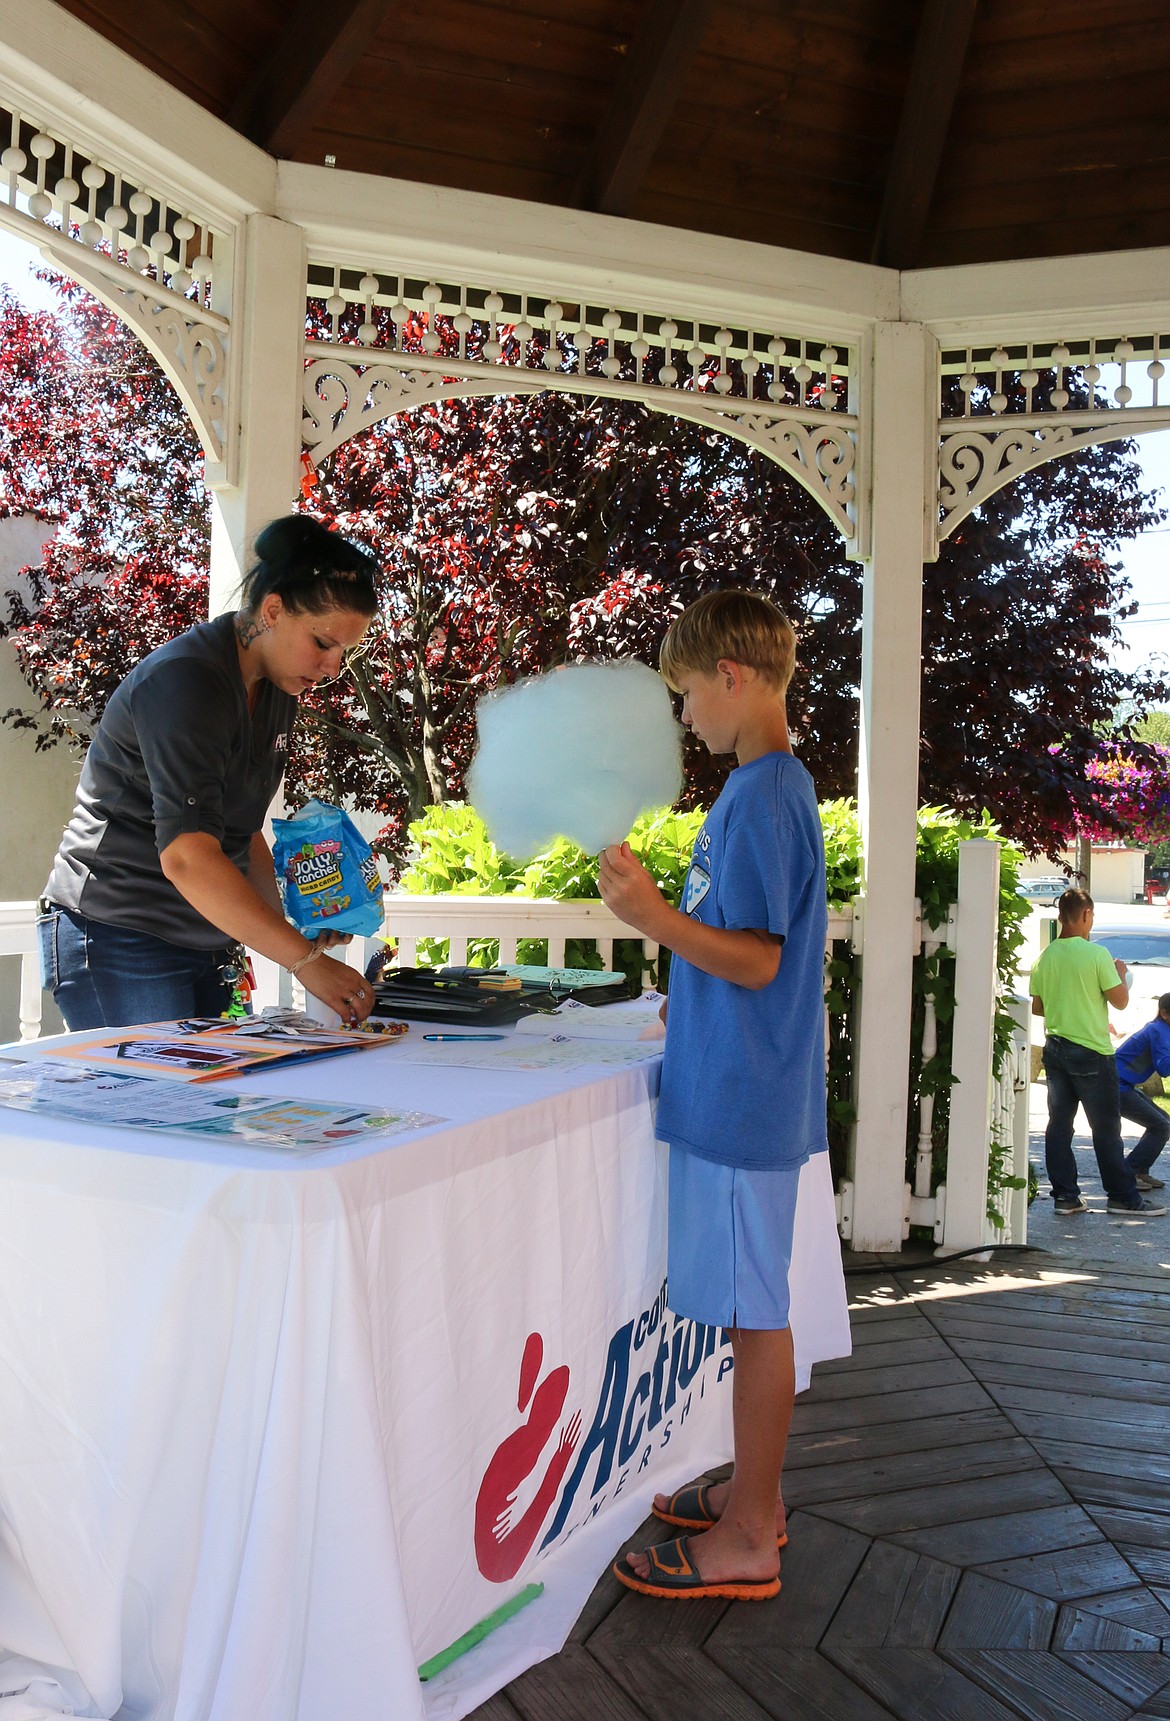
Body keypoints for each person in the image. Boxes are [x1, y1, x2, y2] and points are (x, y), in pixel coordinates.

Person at [597, 588, 827, 1601]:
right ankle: (757, 1494)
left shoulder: (764, 794)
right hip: (737, 1089)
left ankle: (746, 1535)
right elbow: (741, 953)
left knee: (753, 1314)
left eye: (687, 693)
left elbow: (761, 960)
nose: (686, 715)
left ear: (731, 677)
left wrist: (651, 915)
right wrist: (680, 989)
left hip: (739, 1106)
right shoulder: (762, 791)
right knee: (750, 1306)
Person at [38, 515, 379, 1030]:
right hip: (116, 933)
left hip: (205, 939)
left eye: (344, 653)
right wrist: (306, 963)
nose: (332, 667)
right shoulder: (186, 682)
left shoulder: (277, 687)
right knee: (157, 1110)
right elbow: (189, 858)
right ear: (272, 611)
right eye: (323, 643)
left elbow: (241, 837)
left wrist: (294, 927)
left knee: (210, 1111)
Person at [1029, 889, 1165, 1217]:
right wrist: (1120, 976)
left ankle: (1066, 1197)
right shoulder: (1097, 955)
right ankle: (1123, 1198)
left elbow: (1037, 1007)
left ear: (1061, 915)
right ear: (1087, 914)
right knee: (1105, 1129)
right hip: (1092, 1053)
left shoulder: (1044, 957)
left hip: (1056, 1050)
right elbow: (1119, 1001)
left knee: (1059, 1126)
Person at [1115, 993, 1170, 1190]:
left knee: (1164, 1121)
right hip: (1116, 1086)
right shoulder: (1158, 1031)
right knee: (1161, 1126)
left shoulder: (1161, 1029)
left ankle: (1139, 1171)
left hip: (1123, 1084)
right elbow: (1164, 1068)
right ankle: (1129, 1173)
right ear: (1164, 1013)